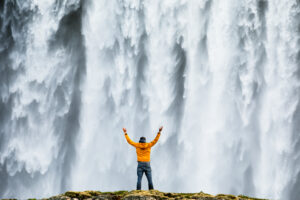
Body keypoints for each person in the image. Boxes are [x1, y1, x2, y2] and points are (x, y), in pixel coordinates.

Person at [123, 126, 163, 190]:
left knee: (139, 179)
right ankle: (152, 191)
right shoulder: (149, 145)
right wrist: (159, 132)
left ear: (140, 141)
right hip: (147, 163)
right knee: (150, 180)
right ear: (145, 141)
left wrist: (125, 133)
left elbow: (129, 141)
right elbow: (155, 140)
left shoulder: (137, 145)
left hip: (140, 164)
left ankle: (138, 191)